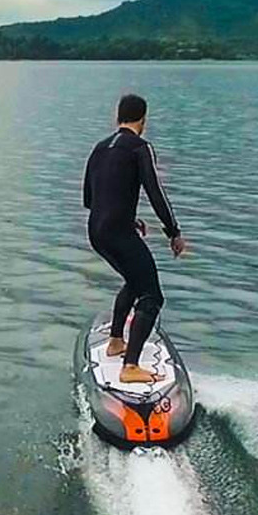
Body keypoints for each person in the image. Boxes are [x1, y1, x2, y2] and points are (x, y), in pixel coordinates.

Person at [83, 94, 186, 384]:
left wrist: (127, 220)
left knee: (134, 279)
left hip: (97, 231)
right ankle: (130, 366)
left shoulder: (99, 148)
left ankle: (116, 341)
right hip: (118, 232)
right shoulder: (140, 148)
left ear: (117, 117)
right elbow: (156, 193)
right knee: (152, 296)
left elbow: (90, 198)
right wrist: (173, 232)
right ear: (143, 120)